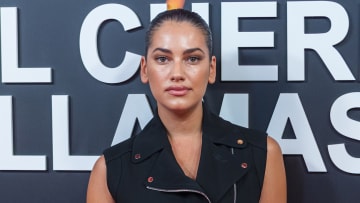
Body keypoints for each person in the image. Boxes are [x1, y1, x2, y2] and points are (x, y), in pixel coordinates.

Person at [87, 8, 286, 203]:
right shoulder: (110, 170)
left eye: (192, 59)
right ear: (145, 69)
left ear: (211, 69)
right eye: (163, 59)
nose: (177, 73)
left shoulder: (263, 154)